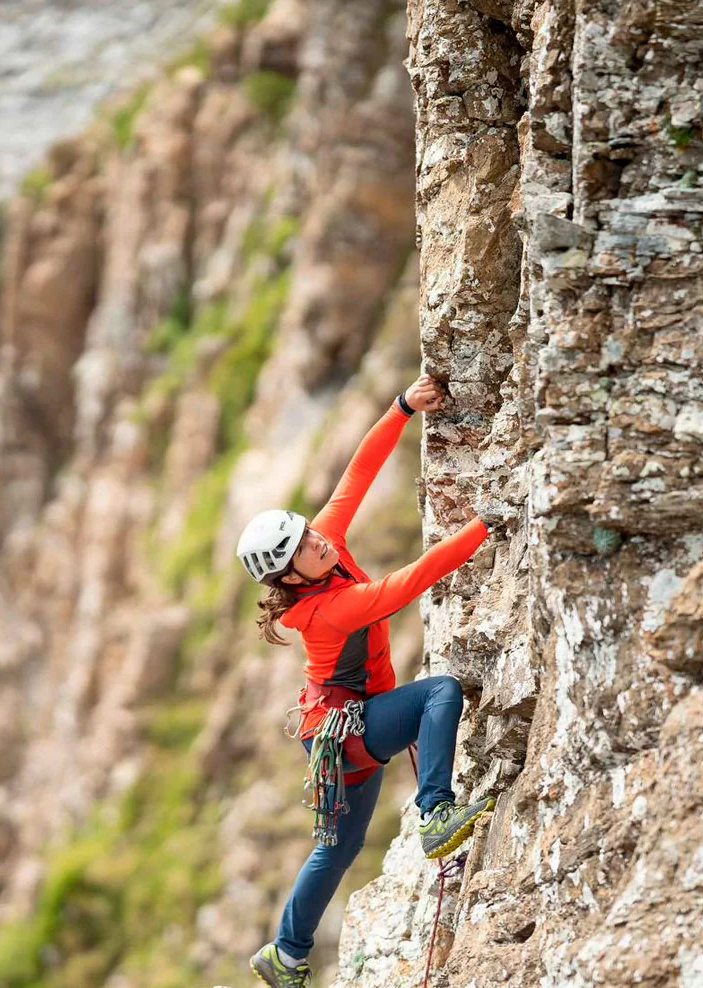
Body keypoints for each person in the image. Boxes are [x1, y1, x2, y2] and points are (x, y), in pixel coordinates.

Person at [236, 375, 496, 988]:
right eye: (303, 545)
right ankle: (436, 812)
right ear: (291, 575)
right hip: (349, 731)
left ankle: (284, 954)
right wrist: (489, 521)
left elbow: (357, 475)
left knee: (338, 849)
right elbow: (410, 582)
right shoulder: (328, 608)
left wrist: (402, 407)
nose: (318, 538)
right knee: (440, 692)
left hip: (333, 731)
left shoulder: (324, 547)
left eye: (309, 531)